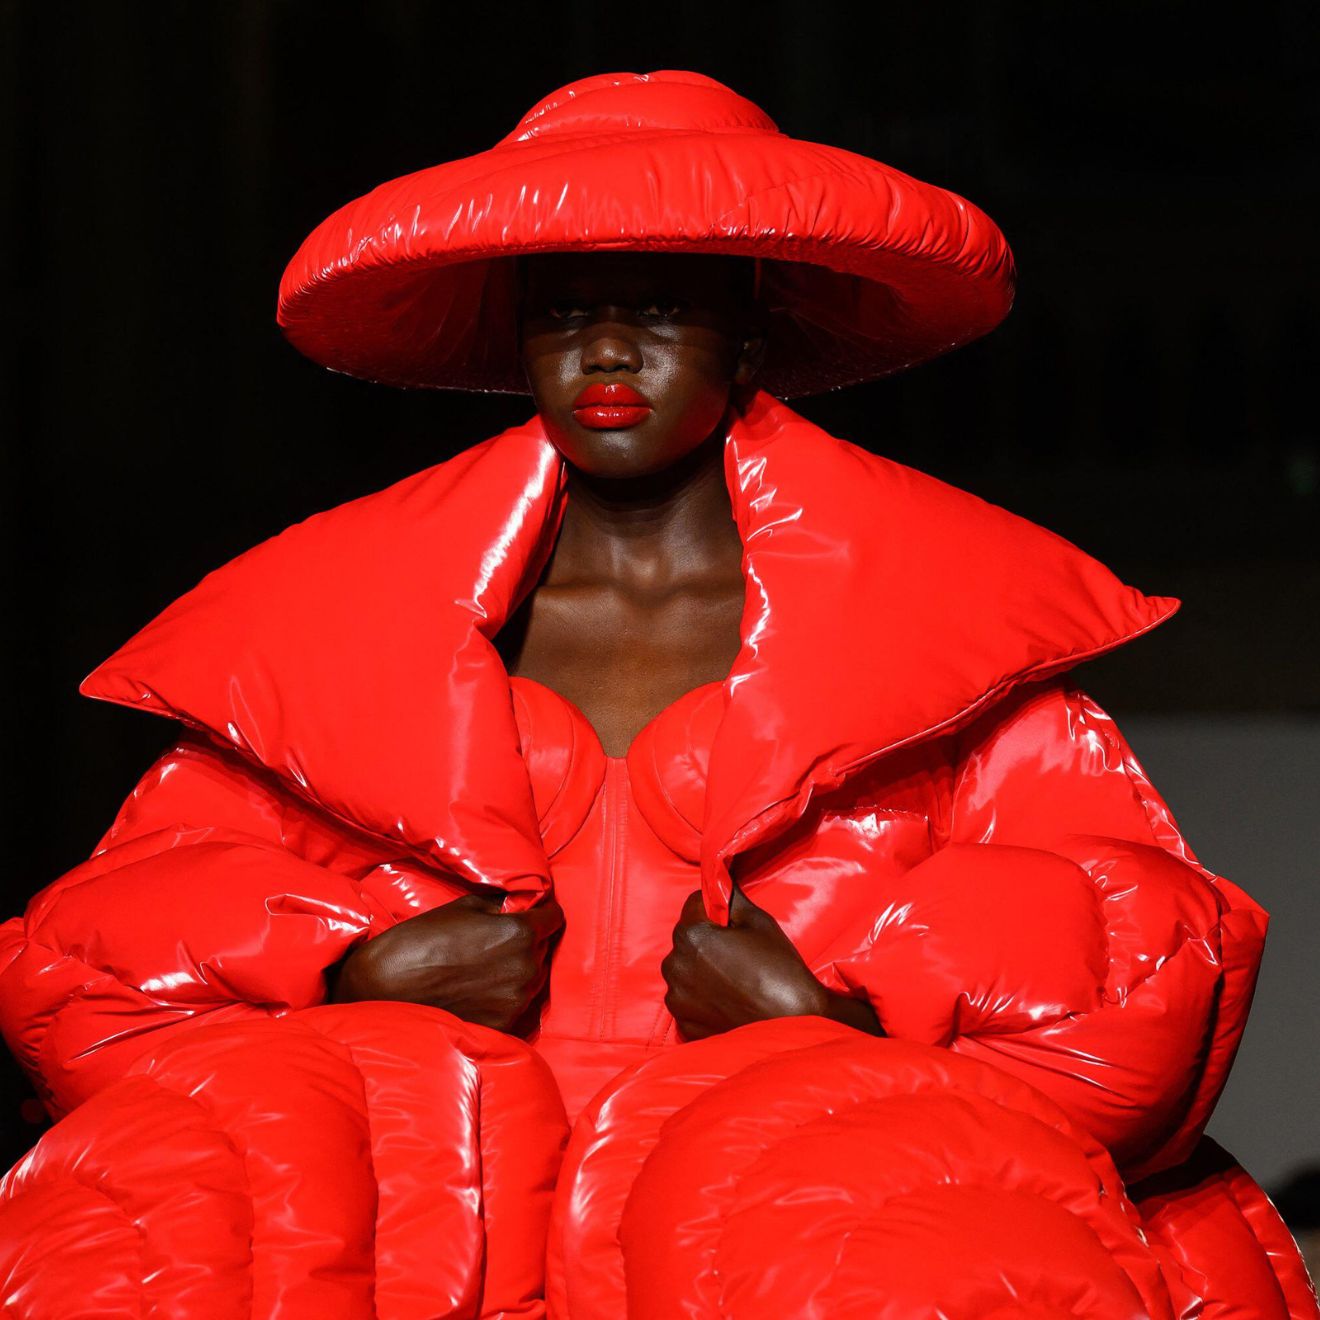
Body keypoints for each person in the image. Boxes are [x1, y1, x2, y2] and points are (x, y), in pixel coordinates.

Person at [0, 70, 1314, 1318]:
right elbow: (99, 973)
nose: (608, 347)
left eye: (660, 308)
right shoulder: (338, 635)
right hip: (428, 1241)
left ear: (749, 335)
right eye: (565, 311)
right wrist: (347, 977)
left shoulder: (941, 644)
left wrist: (837, 1028)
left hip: (784, 1243)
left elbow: (1135, 983)